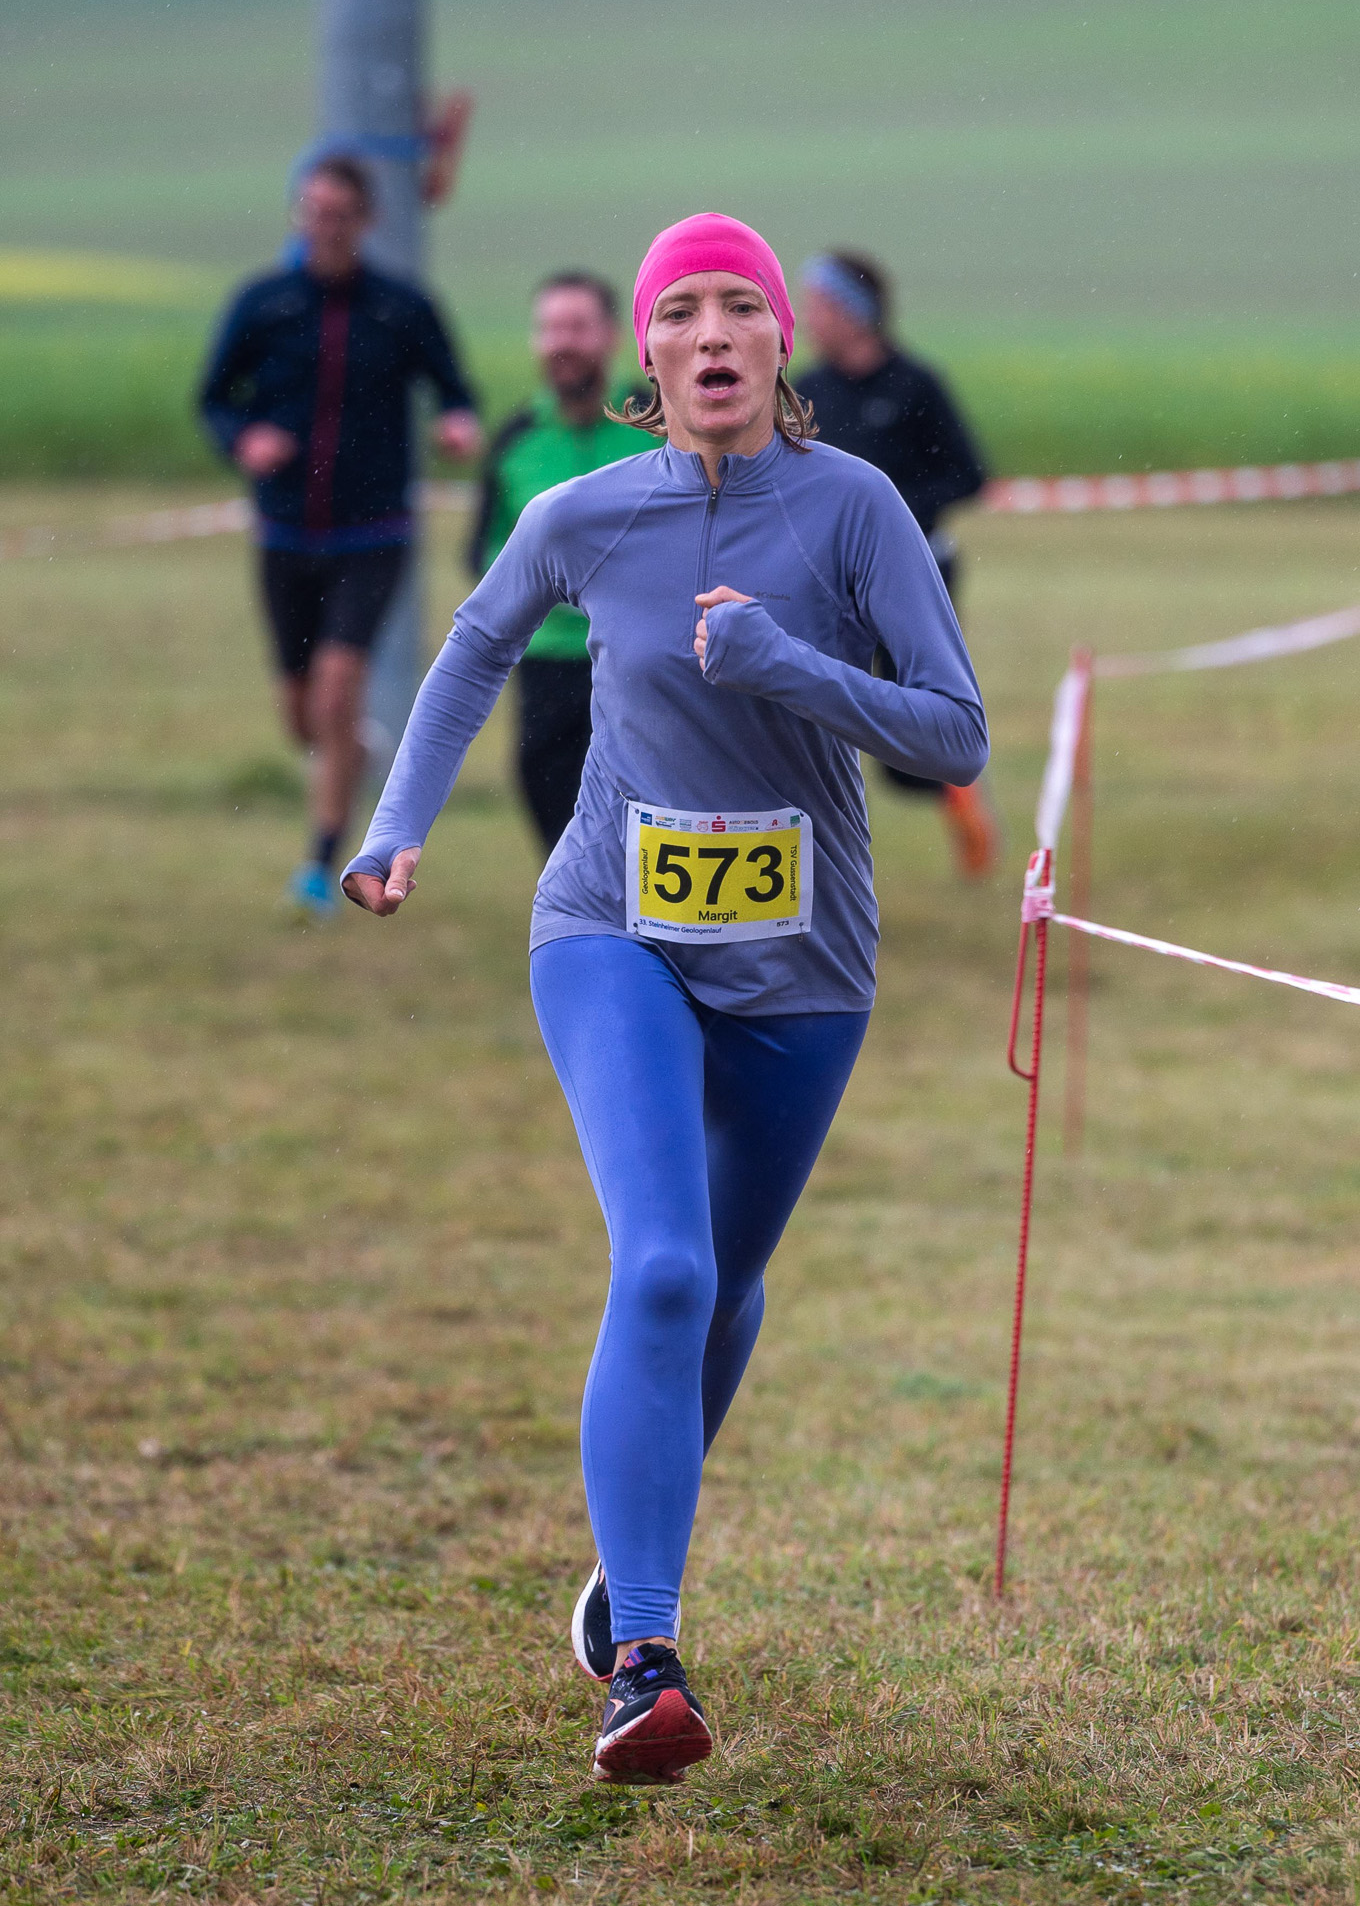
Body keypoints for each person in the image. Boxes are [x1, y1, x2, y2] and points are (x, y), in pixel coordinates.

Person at [341, 214, 987, 1785]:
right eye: (680, 311)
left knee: (728, 1275)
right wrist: (396, 822)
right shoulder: (580, 513)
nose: (711, 333)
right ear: (649, 350)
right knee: (668, 1266)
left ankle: (625, 1551)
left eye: (738, 308)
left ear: (777, 344)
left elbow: (954, 733)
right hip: (608, 927)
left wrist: (786, 666)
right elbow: (474, 649)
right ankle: (645, 1658)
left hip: (804, 962)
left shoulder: (854, 507)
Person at [199, 155, 482, 918]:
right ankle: (351, 749)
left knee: (335, 686)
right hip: (285, 531)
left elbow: (454, 388)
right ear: (299, 216)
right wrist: (243, 439)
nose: (324, 227)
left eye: (339, 214)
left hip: (373, 533)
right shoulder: (263, 303)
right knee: (301, 715)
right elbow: (214, 398)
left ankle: (321, 867)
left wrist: (458, 423)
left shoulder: (401, 307)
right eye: (313, 212)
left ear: (366, 221)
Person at [795, 250, 1000, 878]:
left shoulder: (916, 384)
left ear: (856, 311)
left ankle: (964, 799)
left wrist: (892, 512)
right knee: (810, 717)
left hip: (917, 574)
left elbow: (970, 474)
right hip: (825, 580)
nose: (809, 318)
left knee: (912, 746)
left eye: (820, 305)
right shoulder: (805, 391)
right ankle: (814, 852)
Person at [467, 273, 649, 854]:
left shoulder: (662, 424)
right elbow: (483, 553)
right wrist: (548, 592)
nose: (562, 342)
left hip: (643, 659)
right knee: (553, 810)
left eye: (577, 327)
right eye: (549, 328)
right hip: (547, 661)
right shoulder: (516, 439)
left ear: (612, 336)